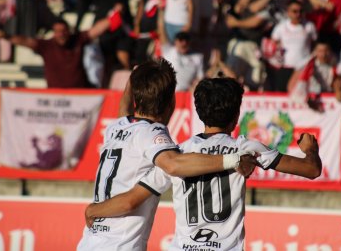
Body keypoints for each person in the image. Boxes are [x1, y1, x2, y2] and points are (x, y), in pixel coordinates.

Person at [83, 77, 322, 250]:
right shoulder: (246, 149)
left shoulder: (179, 155)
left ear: (198, 113)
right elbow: (311, 170)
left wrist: (94, 209)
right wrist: (310, 150)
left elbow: (131, 199)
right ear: (237, 115)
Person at [77, 59, 257, 251]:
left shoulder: (116, 127)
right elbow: (173, 165)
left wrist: (132, 80)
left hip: (90, 241)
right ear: (172, 102)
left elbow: (124, 110)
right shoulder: (154, 136)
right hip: (119, 246)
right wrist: (234, 159)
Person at [7, 5, 123, 88]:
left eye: (63, 31)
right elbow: (26, 41)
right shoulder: (47, 45)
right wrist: (5, 36)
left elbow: (96, 30)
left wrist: (113, 16)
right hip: (56, 99)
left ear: (68, 31)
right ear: (53, 32)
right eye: (57, 31)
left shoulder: (77, 40)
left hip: (81, 96)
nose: (61, 34)